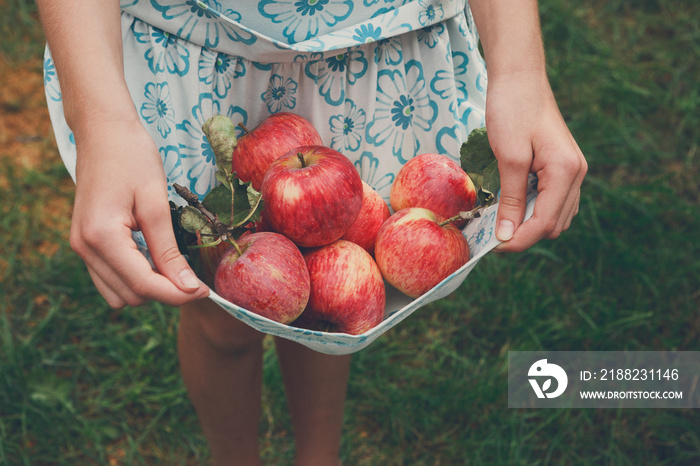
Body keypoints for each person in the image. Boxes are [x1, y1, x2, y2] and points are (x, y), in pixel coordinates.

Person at [37, 0, 587, 464]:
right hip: (199, 42)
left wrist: (521, 72)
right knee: (220, 316)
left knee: (336, 286)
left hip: (373, 47)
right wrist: (102, 121)